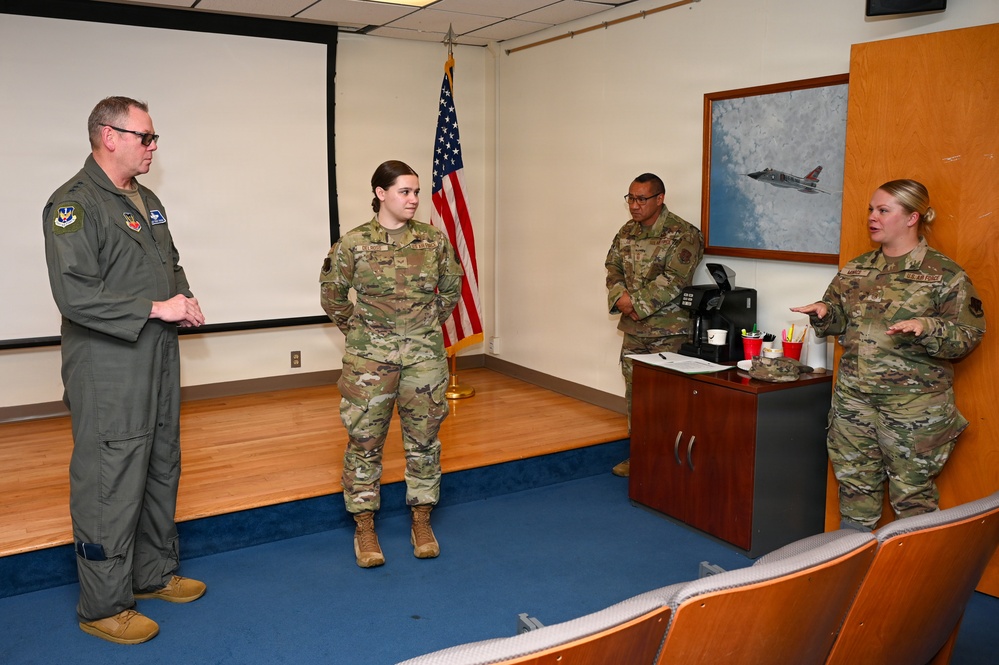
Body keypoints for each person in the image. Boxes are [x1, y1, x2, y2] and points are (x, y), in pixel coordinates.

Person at [42, 96, 207, 645]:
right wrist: (158, 309)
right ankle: (104, 604)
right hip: (108, 367)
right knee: (109, 480)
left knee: (161, 462)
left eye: (153, 138)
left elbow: (169, 260)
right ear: (109, 136)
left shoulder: (148, 199)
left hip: (157, 357)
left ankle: (153, 573)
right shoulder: (74, 205)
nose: (153, 146)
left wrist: (183, 296)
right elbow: (76, 295)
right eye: (145, 137)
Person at [791, 179, 985, 531]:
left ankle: (914, 583)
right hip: (854, 401)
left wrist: (928, 327)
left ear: (912, 218)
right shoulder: (855, 270)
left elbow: (969, 335)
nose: (872, 217)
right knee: (854, 491)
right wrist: (824, 312)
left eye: (883, 210)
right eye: (871, 209)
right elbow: (838, 317)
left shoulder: (945, 274)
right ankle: (852, 575)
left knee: (912, 498)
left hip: (913, 408)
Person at [320, 160, 462, 568]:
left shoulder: (433, 241)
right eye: (405, 191)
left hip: (424, 360)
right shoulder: (353, 244)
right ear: (381, 193)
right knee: (364, 443)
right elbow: (332, 296)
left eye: (416, 192)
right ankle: (365, 527)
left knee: (424, 442)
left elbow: (451, 289)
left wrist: (423, 328)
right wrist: (364, 333)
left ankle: (421, 519)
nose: (414, 199)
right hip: (370, 362)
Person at [605, 173, 704, 477]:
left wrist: (635, 305)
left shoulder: (683, 234)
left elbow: (675, 280)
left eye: (641, 199)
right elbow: (613, 266)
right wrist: (620, 295)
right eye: (630, 198)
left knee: (668, 400)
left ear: (659, 199)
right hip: (635, 331)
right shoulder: (627, 231)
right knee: (637, 396)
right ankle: (641, 455)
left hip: (668, 333)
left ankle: (667, 462)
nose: (634, 205)